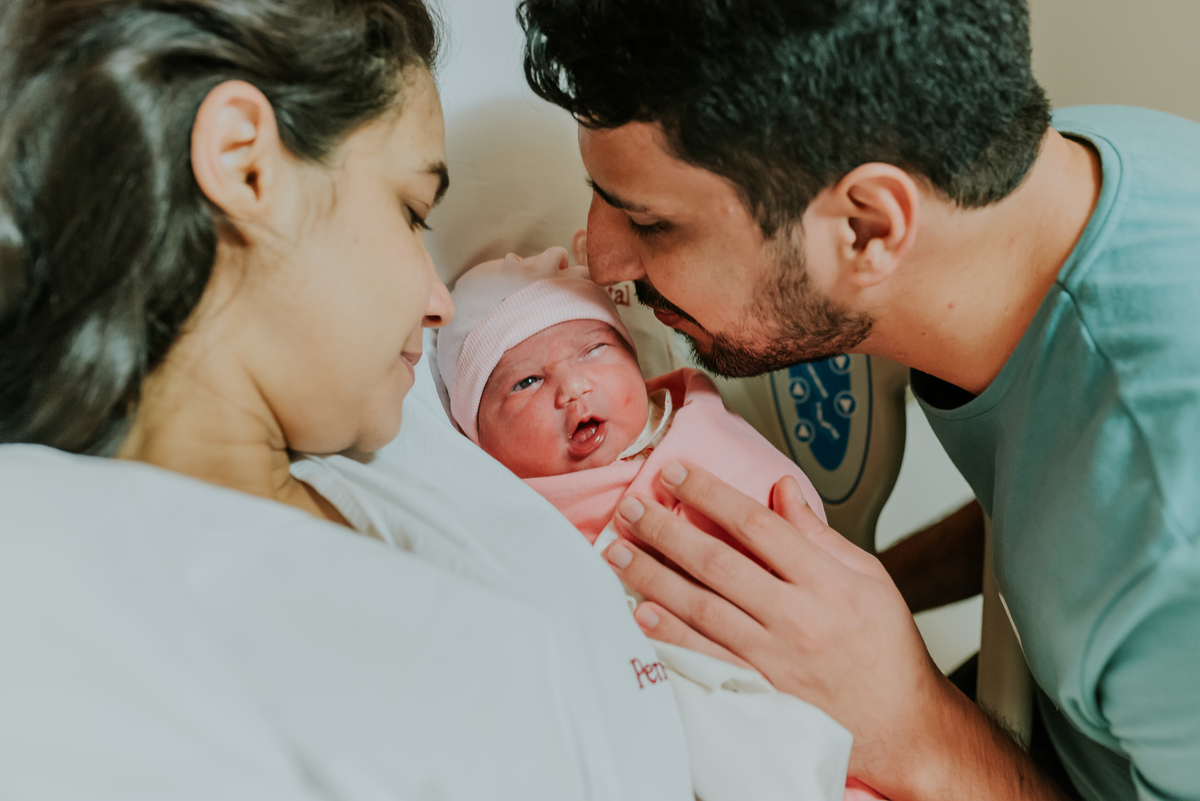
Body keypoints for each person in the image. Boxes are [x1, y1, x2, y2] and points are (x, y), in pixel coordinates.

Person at [0, 2, 699, 798]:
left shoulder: (403, 441)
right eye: (410, 213)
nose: (439, 303)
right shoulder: (53, 586)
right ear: (245, 165)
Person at [517, 1, 1200, 800]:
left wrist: (914, 721)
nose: (601, 261)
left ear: (869, 227)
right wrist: (848, 617)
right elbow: (1070, 501)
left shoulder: (1174, 538)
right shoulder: (1073, 167)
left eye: (650, 222)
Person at [435, 244, 883, 801]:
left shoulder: (693, 429)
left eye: (595, 349)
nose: (572, 387)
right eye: (525, 382)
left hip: (787, 682)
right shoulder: (510, 517)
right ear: (480, 443)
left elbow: (781, 511)